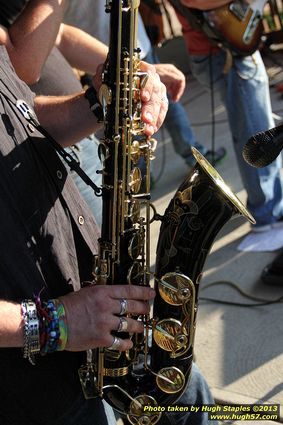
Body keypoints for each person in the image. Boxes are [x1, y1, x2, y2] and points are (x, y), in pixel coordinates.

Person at [64, 0, 226, 169]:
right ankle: (140, 171)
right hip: (100, 56)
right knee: (128, 121)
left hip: (130, 49)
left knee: (157, 105)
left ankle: (182, 157)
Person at [167, 0, 283, 232]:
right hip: (225, 53)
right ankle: (268, 214)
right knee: (257, 138)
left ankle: (271, 208)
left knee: (258, 129)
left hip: (228, 48)